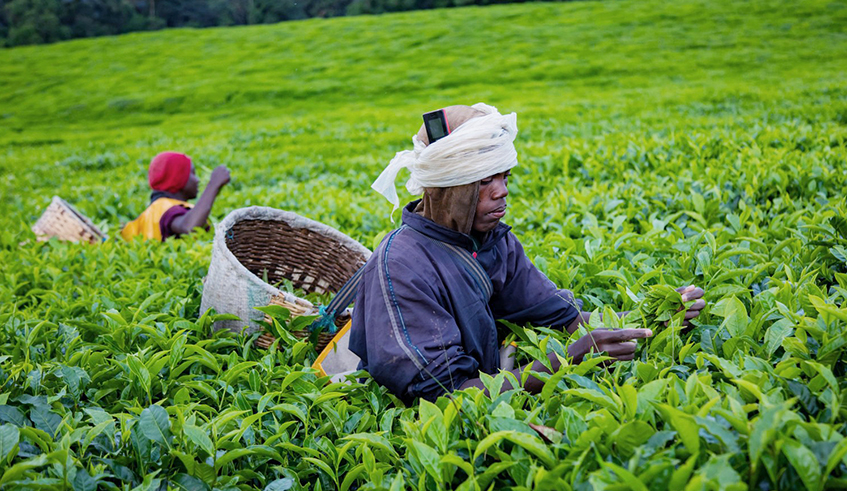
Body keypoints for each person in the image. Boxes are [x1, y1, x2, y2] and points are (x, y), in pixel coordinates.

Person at [348, 104, 706, 404]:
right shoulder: (402, 265)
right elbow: (446, 396)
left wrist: (658, 315)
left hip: (488, 396)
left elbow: (563, 318)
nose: (502, 192)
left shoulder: (490, 240)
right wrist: (566, 361)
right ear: (448, 186)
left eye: (505, 177)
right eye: (485, 180)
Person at [121, 152, 230, 241]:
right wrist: (213, 184)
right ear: (178, 178)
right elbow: (190, 227)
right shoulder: (164, 207)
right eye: (192, 173)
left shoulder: (152, 211)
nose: (197, 180)